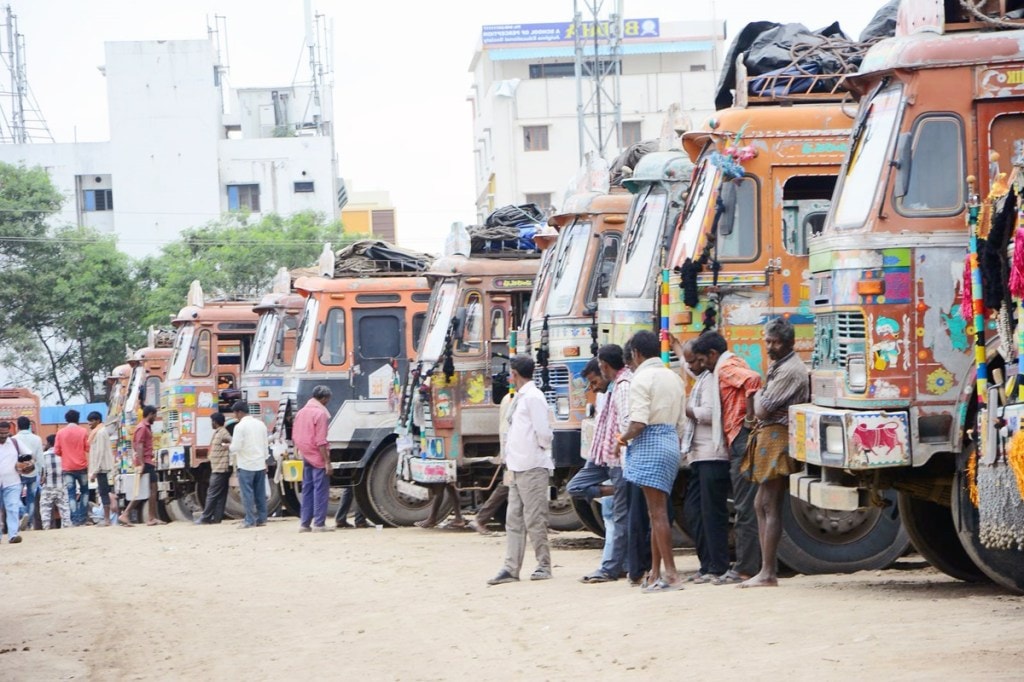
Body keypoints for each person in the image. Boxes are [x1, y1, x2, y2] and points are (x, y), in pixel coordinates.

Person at [685, 331, 763, 585]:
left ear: (712, 355)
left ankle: (742, 569)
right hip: (734, 438)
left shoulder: (725, 367)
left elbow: (753, 381)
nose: (700, 366)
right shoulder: (724, 366)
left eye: (701, 360)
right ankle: (737, 567)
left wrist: (748, 421)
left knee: (742, 507)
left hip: (737, 437)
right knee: (741, 506)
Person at [740, 318, 808, 588]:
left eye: (774, 342)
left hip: (777, 437)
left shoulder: (790, 370)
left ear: (788, 342)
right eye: (767, 341)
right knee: (761, 503)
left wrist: (755, 394)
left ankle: (768, 572)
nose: (769, 347)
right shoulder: (781, 366)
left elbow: (762, 408)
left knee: (769, 503)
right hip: (771, 435)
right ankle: (766, 570)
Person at [618, 330, 686, 593]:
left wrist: (621, 440)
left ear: (635, 353)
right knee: (655, 511)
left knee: (657, 514)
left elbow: (638, 422)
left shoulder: (641, 378)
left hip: (650, 443)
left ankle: (671, 574)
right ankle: (655, 572)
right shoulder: (673, 376)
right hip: (670, 442)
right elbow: (681, 421)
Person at [487, 354, 554, 585]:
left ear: (514, 374)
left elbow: (544, 433)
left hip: (532, 466)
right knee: (514, 519)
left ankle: (543, 564)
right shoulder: (523, 396)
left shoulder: (533, 397)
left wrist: (537, 451)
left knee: (535, 519)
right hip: (518, 466)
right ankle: (511, 568)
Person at [568, 346, 632, 583]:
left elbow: (626, 423)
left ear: (604, 367)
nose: (592, 387)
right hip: (602, 458)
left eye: (594, 381)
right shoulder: (610, 390)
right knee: (576, 488)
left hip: (616, 460)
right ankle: (617, 490)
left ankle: (612, 567)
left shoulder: (622, 387)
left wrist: (620, 444)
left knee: (618, 517)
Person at [680, 339, 731, 583]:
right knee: (695, 511)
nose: (693, 365)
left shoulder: (712, 378)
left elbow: (712, 414)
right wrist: (678, 349)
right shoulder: (702, 376)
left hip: (713, 455)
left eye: (696, 360)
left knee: (712, 514)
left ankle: (717, 566)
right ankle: (706, 565)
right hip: (698, 457)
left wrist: (686, 409)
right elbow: (687, 365)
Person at [293, 385, 333, 532]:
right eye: (328, 399)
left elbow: (295, 435)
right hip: (317, 456)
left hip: (306, 454)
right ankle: (319, 523)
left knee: (307, 489)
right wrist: (327, 462)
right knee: (320, 490)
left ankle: (304, 524)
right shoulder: (320, 414)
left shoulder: (301, 412)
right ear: (324, 398)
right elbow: (321, 440)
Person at [229, 400, 270, 528]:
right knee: (260, 494)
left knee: (247, 494)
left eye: (235, 413)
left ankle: (249, 520)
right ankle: (262, 519)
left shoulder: (239, 427)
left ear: (239, 412)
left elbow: (236, 447)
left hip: (246, 465)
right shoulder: (261, 424)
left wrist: (227, 447)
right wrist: (265, 460)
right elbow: (265, 445)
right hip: (259, 464)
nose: (235, 416)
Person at [119, 406, 162, 526]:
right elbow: (139, 445)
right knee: (150, 489)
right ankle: (146, 517)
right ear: (150, 414)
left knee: (144, 489)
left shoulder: (143, 427)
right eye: (155, 415)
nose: (155, 418)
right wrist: (142, 463)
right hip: (146, 462)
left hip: (146, 461)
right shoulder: (142, 428)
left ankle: (144, 516)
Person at [54, 409, 90, 526]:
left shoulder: (60, 433)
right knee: (84, 491)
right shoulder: (83, 431)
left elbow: (57, 451)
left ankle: (75, 519)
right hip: (82, 466)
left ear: (66, 419)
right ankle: (83, 517)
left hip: (67, 468)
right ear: (78, 419)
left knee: (71, 494)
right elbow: (88, 448)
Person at [197, 412, 231, 524]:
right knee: (220, 495)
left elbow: (232, 442)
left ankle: (205, 517)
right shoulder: (219, 433)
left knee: (211, 494)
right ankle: (217, 518)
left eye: (211, 421)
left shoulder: (223, 433)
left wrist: (226, 447)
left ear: (215, 422)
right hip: (218, 468)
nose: (211, 424)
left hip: (220, 469)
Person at [86, 411, 117, 527]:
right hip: (102, 468)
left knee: (104, 493)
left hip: (102, 468)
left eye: (92, 421)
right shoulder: (99, 432)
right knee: (104, 493)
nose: (90, 424)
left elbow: (99, 453)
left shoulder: (99, 433)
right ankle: (107, 519)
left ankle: (107, 520)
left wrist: (94, 471)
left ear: (98, 421)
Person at [14, 416, 43, 531]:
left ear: (18, 426)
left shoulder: (14, 439)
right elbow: (40, 458)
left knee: (15, 496)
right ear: (29, 426)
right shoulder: (37, 439)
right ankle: (29, 523)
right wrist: (42, 473)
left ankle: (22, 513)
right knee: (31, 498)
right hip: (33, 472)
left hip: (18, 473)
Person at [0, 421, 26, 543]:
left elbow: (28, 455)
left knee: (12, 508)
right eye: (1, 433)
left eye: (6, 433)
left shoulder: (14, 443)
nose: (4, 436)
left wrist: (25, 464)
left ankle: (13, 535)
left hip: (12, 481)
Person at [38, 434, 70, 530]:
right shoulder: (64, 455)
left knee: (45, 509)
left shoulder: (43, 456)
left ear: (48, 443)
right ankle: (67, 527)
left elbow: (42, 475)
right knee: (64, 509)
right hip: (61, 486)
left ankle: (46, 527)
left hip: (48, 487)